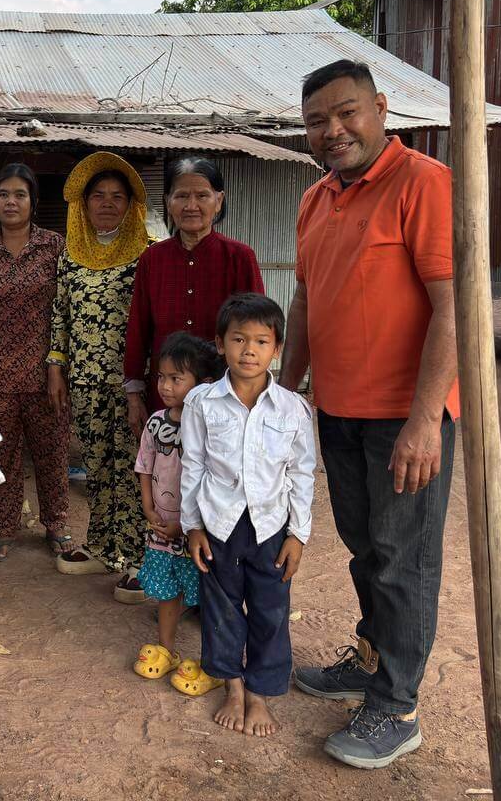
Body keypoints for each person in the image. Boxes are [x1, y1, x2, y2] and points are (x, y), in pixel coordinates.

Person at [281, 59, 459, 769]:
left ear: (381, 108)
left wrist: (424, 421)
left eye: (346, 112)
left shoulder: (424, 183)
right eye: (317, 121)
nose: (333, 130)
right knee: (365, 546)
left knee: (403, 560)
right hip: (339, 411)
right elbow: (304, 303)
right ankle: (371, 658)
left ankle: (397, 706)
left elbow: (452, 306)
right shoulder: (314, 198)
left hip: (402, 416)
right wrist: (282, 391)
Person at [120, 155, 264, 602]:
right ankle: (170, 577)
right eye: (182, 194)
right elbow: (138, 328)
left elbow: (258, 330)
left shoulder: (239, 257)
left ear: (219, 201)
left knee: (221, 486)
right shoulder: (153, 260)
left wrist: (253, 398)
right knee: (168, 478)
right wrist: (135, 394)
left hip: (225, 401)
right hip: (168, 402)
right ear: (168, 202)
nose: (192, 204)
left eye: (202, 194)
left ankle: (216, 583)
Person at [181, 294, 315, 739]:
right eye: (238, 339)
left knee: (270, 612)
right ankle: (233, 687)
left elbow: (302, 472)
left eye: (261, 341)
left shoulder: (293, 408)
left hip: (271, 528)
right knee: (220, 610)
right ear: (220, 344)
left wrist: (298, 534)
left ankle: (259, 693)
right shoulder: (202, 402)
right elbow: (193, 466)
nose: (249, 350)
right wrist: (193, 526)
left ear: (277, 348)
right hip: (218, 525)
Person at [0, 163, 73, 563]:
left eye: (20, 194)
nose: (11, 201)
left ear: (33, 202)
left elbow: (67, 310)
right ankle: (5, 527)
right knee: (0, 454)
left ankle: (56, 525)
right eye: (4, 194)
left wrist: (59, 366)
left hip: (47, 376)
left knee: (52, 453)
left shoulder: (56, 247)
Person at [46, 152, 150, 578]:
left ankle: (137, 556)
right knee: (97, 464)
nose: (107, 203)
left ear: (130, 204)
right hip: (85, 379)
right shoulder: (71, 255)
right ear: (84, 204)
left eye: (117, 196)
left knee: (132, 465)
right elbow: (61, 315)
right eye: (99, 196)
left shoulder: (148, 252)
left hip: (131, 381)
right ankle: (102, 547)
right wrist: (56, 366)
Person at [131, 332, 222, 685]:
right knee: (167, 592)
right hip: (161, 527)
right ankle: (166, 649)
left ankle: (211, 662)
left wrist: (187, 525)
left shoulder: (208, 427)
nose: (165, 386)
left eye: (175, 378)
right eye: (161, 377)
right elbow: (145, 467)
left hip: (197, 531)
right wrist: (148, 507)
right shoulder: (155, 423)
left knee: (206, 596)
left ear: (203, 384)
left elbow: (213, 480)